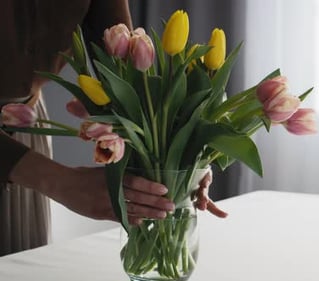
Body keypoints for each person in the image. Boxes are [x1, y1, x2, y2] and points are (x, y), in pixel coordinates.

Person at [0, 0, 226, 257]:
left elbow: (125, 74)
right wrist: (57, 180)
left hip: (21, 126)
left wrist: (181, 157)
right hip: (24, 159)